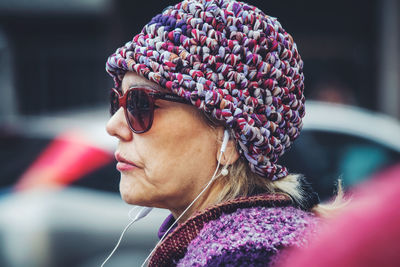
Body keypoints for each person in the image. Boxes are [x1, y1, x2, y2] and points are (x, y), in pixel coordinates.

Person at [105, 0, 326, 266]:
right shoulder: (245, 244)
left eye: (139, 103)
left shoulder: (246, 257)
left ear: (230, 138)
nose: (114, 126)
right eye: (117, 101)